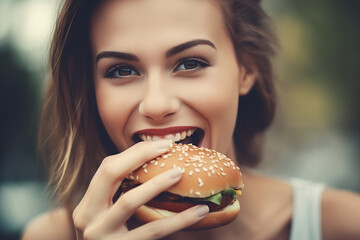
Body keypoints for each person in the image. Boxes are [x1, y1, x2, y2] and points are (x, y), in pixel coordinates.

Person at [22, 0, 360, 239]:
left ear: (246, 68)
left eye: (190, 63)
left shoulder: (344, 225)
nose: (156, 104)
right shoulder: (51, 235)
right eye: (122, 70)